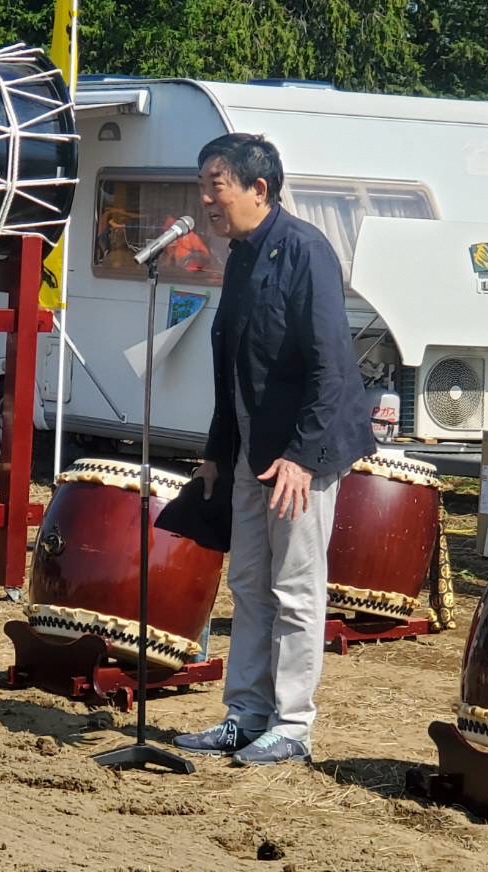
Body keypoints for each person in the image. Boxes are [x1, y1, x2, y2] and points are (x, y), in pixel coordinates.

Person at [175, 133, 373, 766]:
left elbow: (332, 367)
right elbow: (232, 361)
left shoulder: (306, 251)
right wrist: (215, 448)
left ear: (259, 189)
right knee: (250, 582)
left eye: (217, 184)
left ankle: (291, 724)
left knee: (295, 589)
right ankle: (245, 714)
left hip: (299, 458)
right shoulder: (238, 255)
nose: (206, 198)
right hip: (248, 450)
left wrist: (304, 456)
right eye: (203, 185)